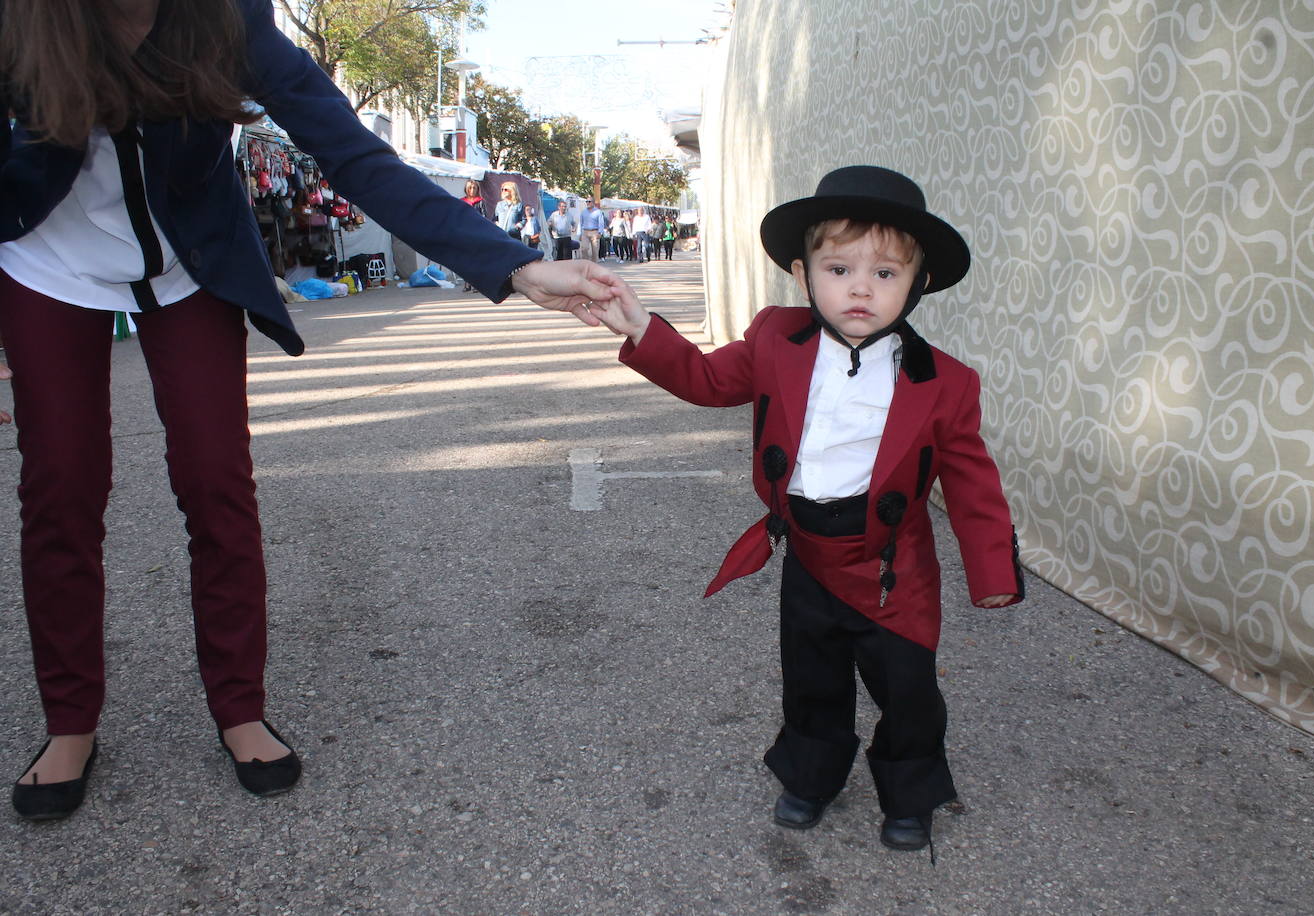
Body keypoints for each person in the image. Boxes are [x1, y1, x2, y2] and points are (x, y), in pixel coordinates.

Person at [0, 0, 620, 822]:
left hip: (192, 263)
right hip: (46, 257)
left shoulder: (232, 19)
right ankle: (71, 721)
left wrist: (511, 265)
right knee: (62, 486)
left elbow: (356, 158)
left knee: (217, 481)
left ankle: (238, 706)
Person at [589, 165, 1022, 856]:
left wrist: (992, 570)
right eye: (839, 267)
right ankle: (812, 777)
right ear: (803, 274)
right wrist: (641, 327)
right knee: (812, 680)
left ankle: (909, 794)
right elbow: (705, 380)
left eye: (885, 273)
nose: (859, 287)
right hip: (810, 558)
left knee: (908, 692)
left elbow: (973, 480)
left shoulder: (946, 383)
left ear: (920, 285)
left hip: (893, 568)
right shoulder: (774, 340)